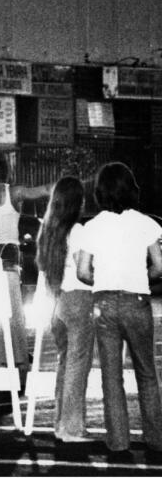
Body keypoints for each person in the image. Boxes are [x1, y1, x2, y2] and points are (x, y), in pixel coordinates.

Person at [76, 162, 162, 457]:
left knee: (111, 376)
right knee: (147, 373)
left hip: (103, 302)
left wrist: (103, 279)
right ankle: (156, 440)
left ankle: (118, 442)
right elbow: (160, 266)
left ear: (100, 192)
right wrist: (141, 278)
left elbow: (83, 272)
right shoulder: (147, 223)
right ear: (131, 189)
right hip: (137, 301)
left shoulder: (92, 227)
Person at [35, 176, 91, 442]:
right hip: (78, 299)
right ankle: (71, 428)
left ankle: (61, 424)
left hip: (56, 301)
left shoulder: (47, 231)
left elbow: (45, 269)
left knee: (64, 363)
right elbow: (85, 271)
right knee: (78, 366)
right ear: (76, 202)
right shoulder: (78, 231)